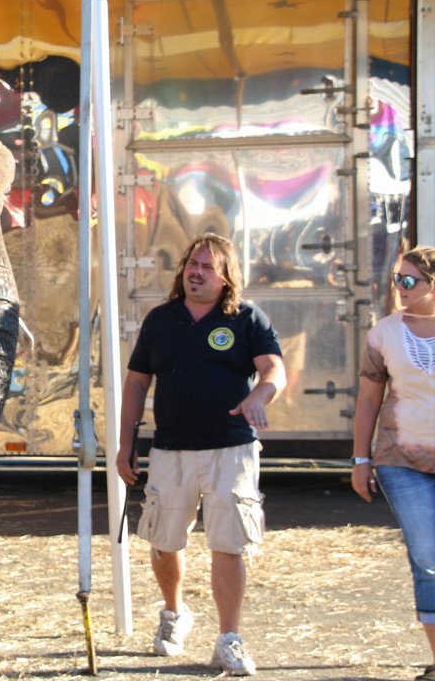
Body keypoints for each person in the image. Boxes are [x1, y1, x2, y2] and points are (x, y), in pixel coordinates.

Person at [117, 232, 286, 677]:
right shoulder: (160, 320)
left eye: (208, 266)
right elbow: (136, 383)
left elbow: (274, 369)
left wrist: (261, 395)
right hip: (171, 450)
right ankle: (174, 613)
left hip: (232, 449)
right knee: (164, 540)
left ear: (227, 276)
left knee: (228, 544)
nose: (197, 272)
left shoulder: (248, 319)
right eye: (193, 263)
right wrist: (125, 443)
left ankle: (229, 639)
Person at [352, 245, 435, 681]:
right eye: (396, 280)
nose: (400, 289)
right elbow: (368, 399)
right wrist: (360, 459)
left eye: (409, 281)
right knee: (428, 557)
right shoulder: (383, 333)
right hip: (400, 460)